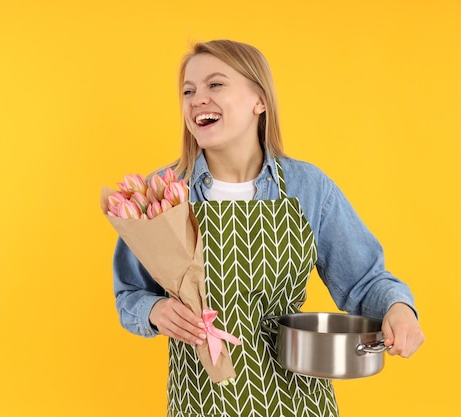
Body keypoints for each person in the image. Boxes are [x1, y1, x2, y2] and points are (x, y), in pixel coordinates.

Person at [112, 39, 425, 417]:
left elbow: (364, 281)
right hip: (202, 400)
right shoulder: (163, 192)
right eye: (188, 91)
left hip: (297, 399)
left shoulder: (308, 187)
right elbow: (129, 294)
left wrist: (398, 309)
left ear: (259, 100)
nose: (197, 100)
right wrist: (155, 310)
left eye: (215, 85)